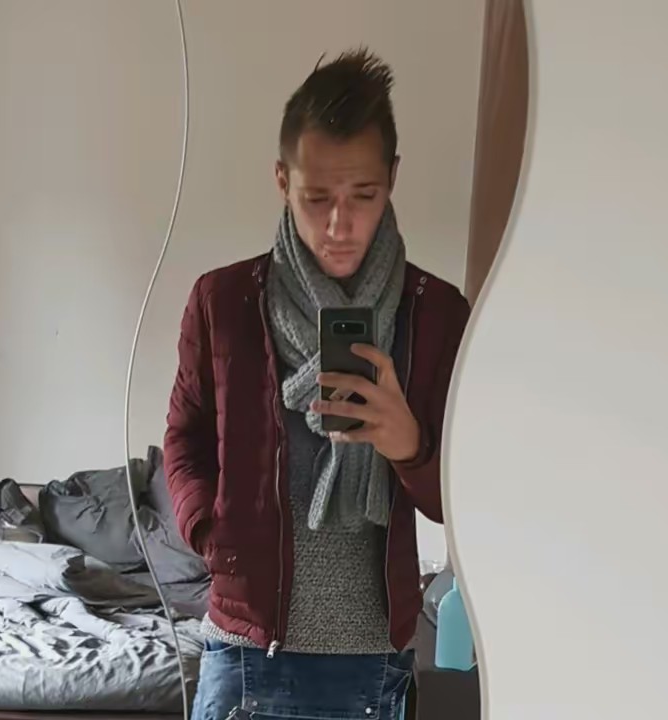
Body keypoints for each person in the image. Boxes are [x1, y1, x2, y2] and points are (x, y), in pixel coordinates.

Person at [164, 47, 470, 720]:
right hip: (244, 644)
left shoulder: (438, 315)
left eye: (363, 196)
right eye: (316, 198)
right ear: (282, 179)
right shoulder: (222, 303)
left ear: (392, 178)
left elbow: (463, 500)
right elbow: (184, 437)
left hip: (374, 656)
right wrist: (207, 529)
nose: (339, 225)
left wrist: (410, 446)